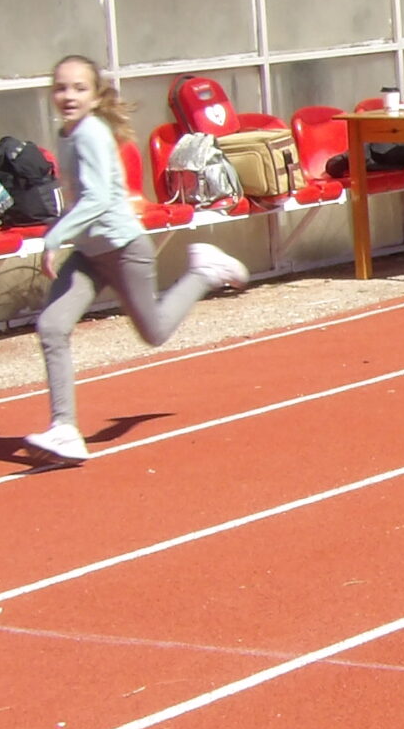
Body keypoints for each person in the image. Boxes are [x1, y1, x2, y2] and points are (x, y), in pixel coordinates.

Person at [26, 55, 249, 463]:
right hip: (90, 255)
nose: (68, 96)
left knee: (155, 333)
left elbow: (95, 199)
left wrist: (54, 237)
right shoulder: (66, 133)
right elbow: (81, 200)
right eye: (61, 88)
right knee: (52, 326)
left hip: (124, 250)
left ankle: (203, 271)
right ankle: (65, 430)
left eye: (79, 88)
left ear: (95, 97)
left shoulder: (91, 134)